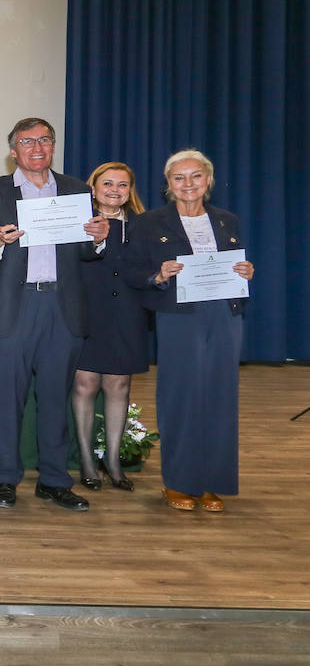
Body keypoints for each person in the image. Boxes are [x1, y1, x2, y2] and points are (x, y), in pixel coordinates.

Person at [0, 117, 110, 512]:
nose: (37, 148)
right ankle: (5, 478)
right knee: (8, 398)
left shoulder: (76, 189)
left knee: (55, 396)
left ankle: (54, 479)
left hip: (61, 307)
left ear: (53, 146)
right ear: (12, 151)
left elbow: (83, 250)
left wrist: (97, 240)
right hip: (12, 307)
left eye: (45, 140)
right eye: (27, 142)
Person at [121, 149, 253, 512]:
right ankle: (179, 482)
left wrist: (245, 272)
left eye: (196, 176)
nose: (188, 184)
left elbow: (235, 264)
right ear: (168, 185)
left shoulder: (227, 221)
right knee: (181, 398)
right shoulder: (149, 223)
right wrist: (159, 275)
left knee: (220, 399)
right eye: (179, 178)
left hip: (225, 315)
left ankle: (211, 482)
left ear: (208, 180)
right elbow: (132, 273)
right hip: (179, 317)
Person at [71, 161, 148, 492]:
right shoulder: (78, 222)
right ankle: (87, 461)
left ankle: (113, 461)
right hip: (86, 312)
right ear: (93, 188)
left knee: (118, 386)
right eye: (108, 184)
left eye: (122, 185)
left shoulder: (144, 226)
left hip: (127, 315)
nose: (115, 190)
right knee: (85, 385)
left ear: (130, 191)